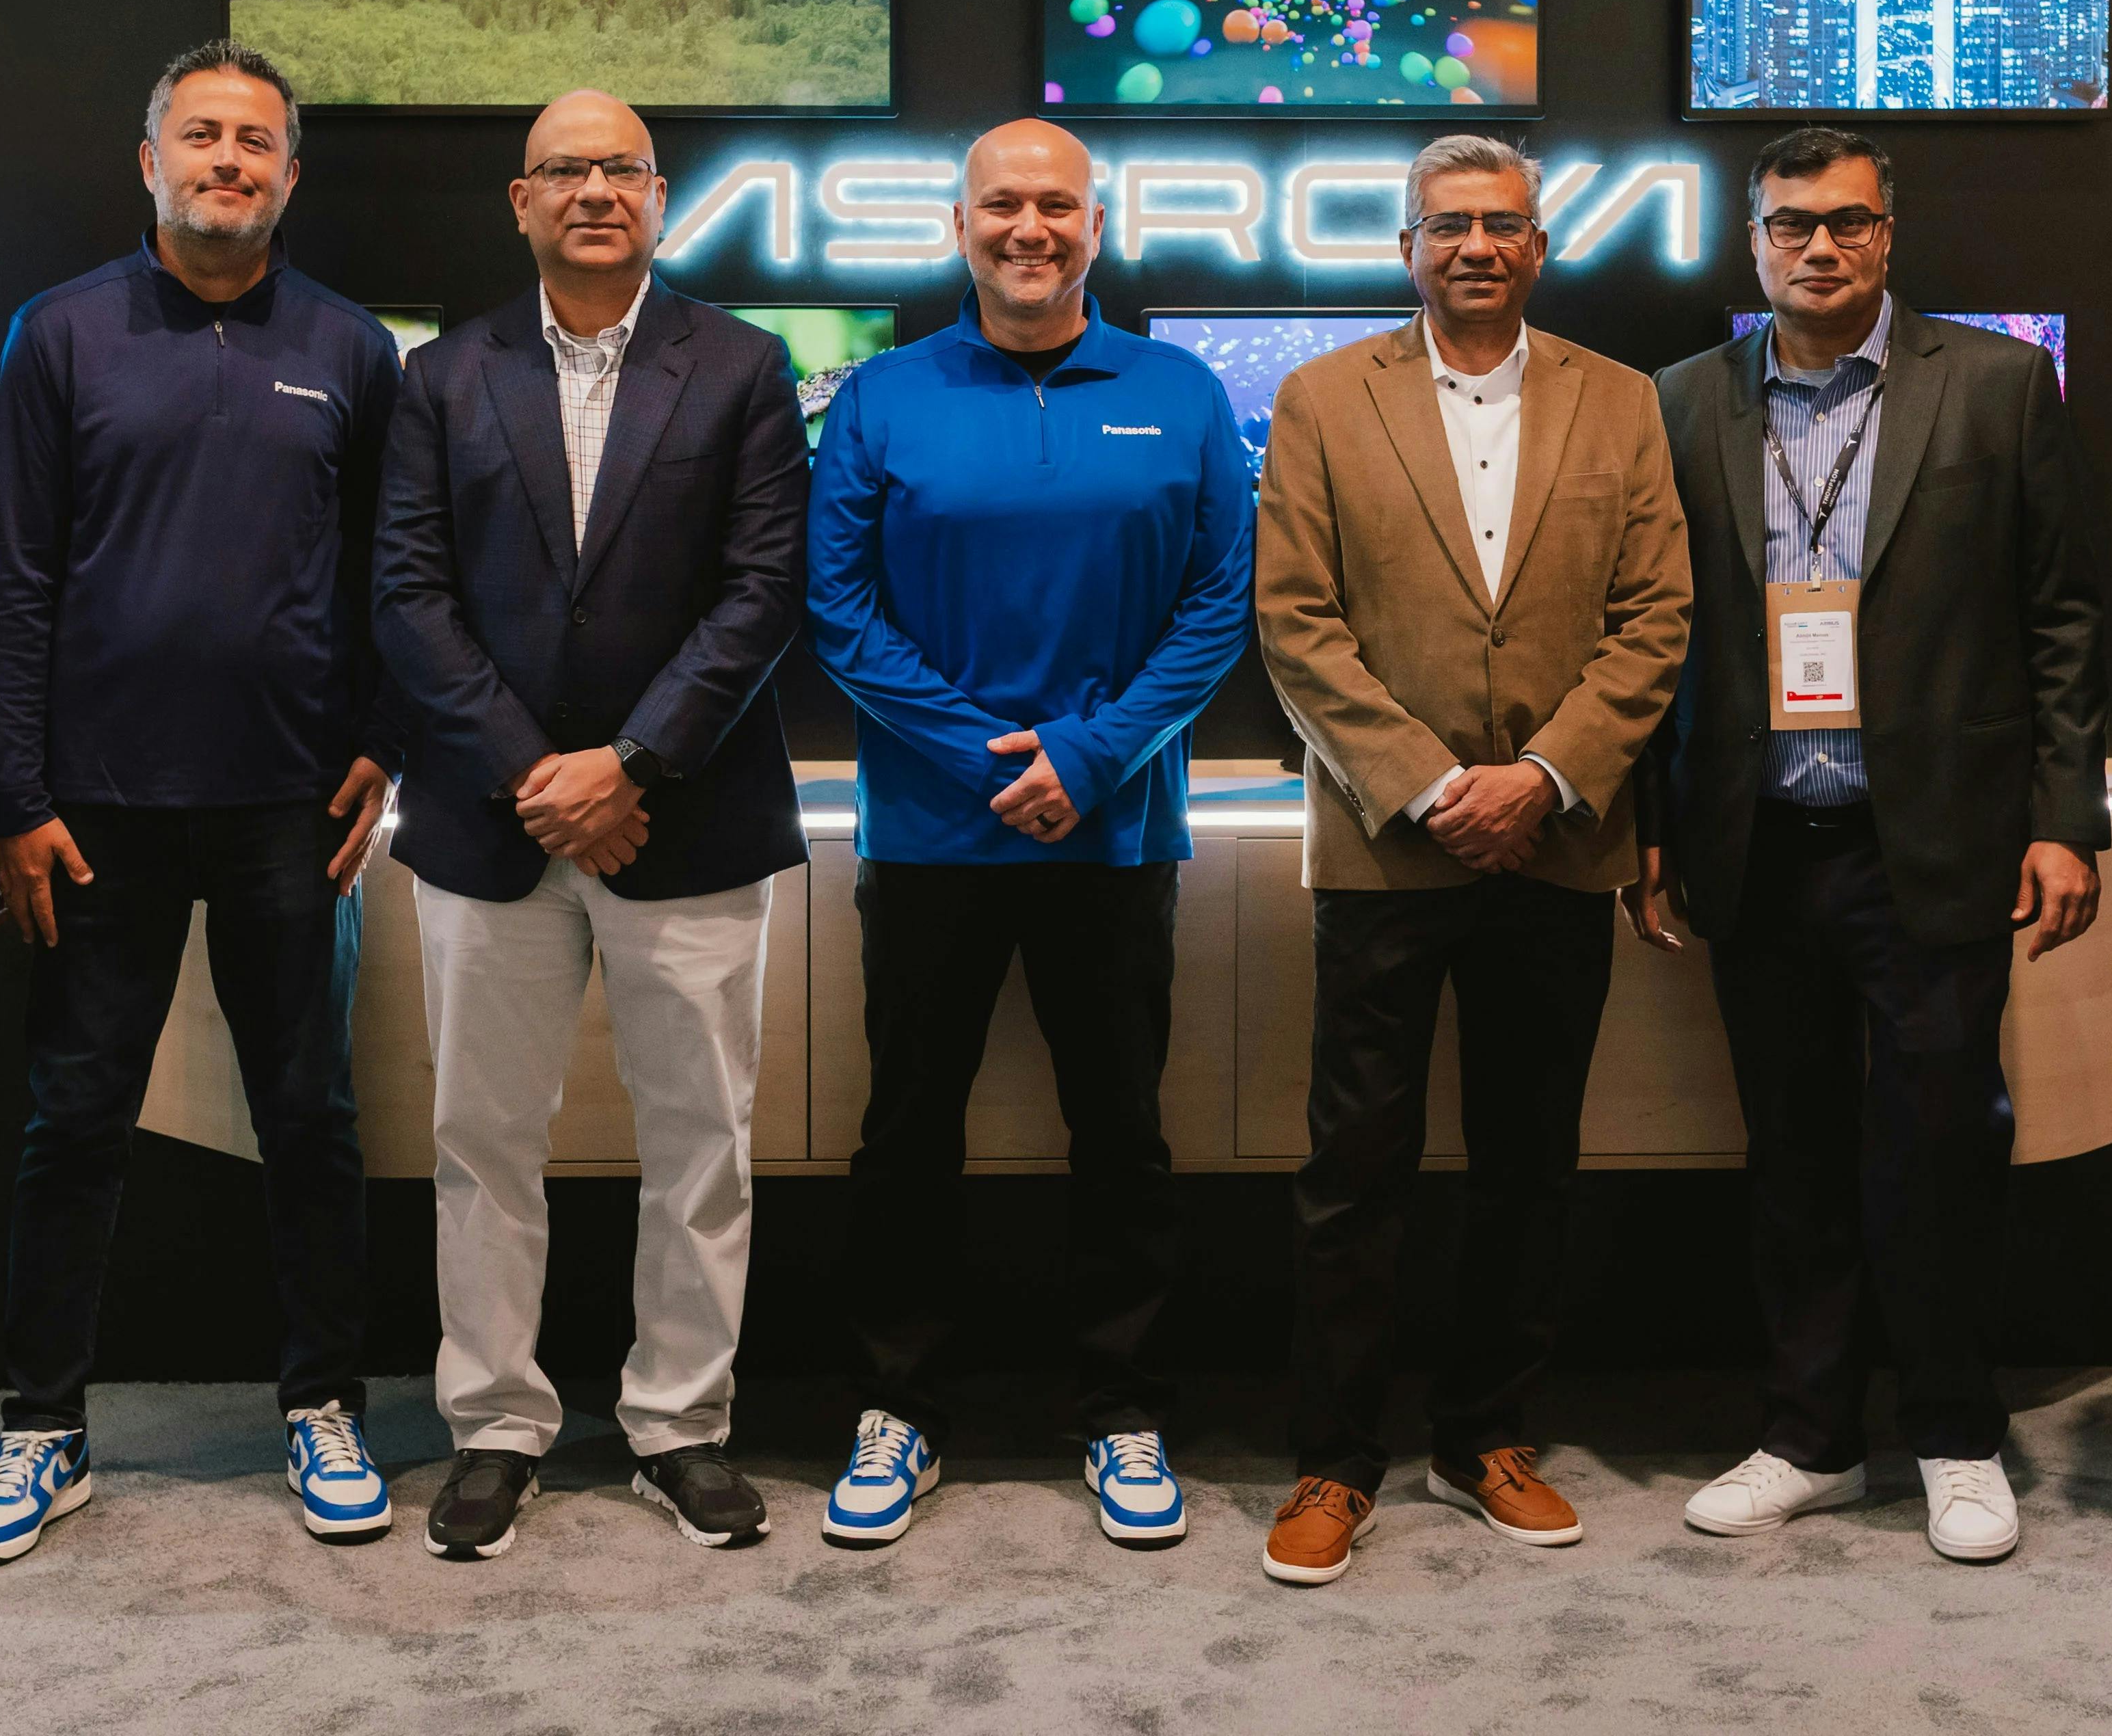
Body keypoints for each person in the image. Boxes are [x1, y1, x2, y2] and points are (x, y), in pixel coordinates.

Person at [0, 40, 403, 1563]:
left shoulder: (350, 349)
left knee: (312, 1119)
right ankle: (42, 1430)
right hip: (97, 813)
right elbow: (10, 577)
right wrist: (13, 791)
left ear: (290, 174)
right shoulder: (60, 334)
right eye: (200, 136)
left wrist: (386, 739)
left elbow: (390, 579)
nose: (228, 159)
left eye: (255, 141)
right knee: (74, 1119)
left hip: (291, 806)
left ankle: (323, 1403)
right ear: (150, 161)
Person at [1632, 126, 2108, 1568]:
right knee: (1791, 1153)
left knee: (1941, 1149)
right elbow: (1655, 637)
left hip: (1939, 844)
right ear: (1755, 246)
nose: (1819, 248)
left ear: (1890, 236)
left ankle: (1956, 1434)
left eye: (1846, 223)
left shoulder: (2001, 384)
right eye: (1791, 227)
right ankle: (1809, 1437)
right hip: (1760, 837)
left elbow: (2064, 614)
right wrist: (1657, 828)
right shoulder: (1683, 400)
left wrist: (2063, 816)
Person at [803, 118, 1253, 1551]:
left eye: (1056, 204)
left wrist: (1089, 753)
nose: (1029, 227)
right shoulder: (881, 396)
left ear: (1096, 227)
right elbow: (838, 606)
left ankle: (1121, 1411)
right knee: (906, 1131)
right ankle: (899, 1407)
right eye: (1003, 202)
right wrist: (984, 755)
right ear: (959, 224)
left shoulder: (1179, 395)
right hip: (930, 836)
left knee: (1121, 1134)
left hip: (1115, 836)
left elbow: (1218, 607)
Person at [371, 91, 810, 1558]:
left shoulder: (745, 365)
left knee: (703, 1140)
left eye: (618, 168)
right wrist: (538, 775)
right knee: (483, 1137)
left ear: (660, 193)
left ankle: (680, 1424)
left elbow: (761, 596)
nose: (594, 192)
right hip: (494, 832)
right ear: (520, 199)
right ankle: (497, 1423)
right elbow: (409, 600)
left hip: (683, 821)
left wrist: (627, 765)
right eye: (565, 171)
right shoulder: (440, 377)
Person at [1251, 133, 1692, 1587]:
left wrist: (1547, 777)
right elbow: (1297, 625)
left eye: (1504, 224)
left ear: (1541, 247)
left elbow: (1655, 618)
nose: (1477, 247)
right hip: (1392, 848)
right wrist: (1436, 785)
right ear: (1408, 248)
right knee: (1352, 1166)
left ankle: (1484, 1433)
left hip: (1558, 845)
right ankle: (1334, 1459)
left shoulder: (1622, 404)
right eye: (1449, 226)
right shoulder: (1324, 399)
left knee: (1527, 1161)